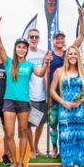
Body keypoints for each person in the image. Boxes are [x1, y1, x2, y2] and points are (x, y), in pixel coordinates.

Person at [0, 16, 51, 167]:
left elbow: (40, 74)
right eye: (19, 47)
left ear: (26, 50)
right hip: (9, 101)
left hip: (24, 102)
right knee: (9, 133)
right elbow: (0, 45)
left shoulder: (30, 65)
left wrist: (46, 62)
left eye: (24, 47)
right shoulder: (8, 62)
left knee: (23, 132)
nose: (21, 49)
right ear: (16, 48)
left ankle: (21, 164)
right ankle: (14, 161)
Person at [50, 46, 84, 167]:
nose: (72, 56)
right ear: (66, 56)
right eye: (70, 54)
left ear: (78, 56)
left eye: (75, 54)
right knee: (67, 140)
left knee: (77, 140)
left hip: (79, 111)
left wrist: (79, 102)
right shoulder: (59, 71)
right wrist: (63, 102)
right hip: (65, 111)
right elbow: (52, 91)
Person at [48, 7, 84, 157]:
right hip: (54, 94)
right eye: (57, 38)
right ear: (53, 40)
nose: (60, 40)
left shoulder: (69, 52)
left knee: (67, 126)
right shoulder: (49, 54)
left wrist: (81, 17)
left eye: (62, 38)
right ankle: (54, 148)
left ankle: (66, 150)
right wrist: (48, 97)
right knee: (53, 123)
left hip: (69, 94)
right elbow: (46, 77)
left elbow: (82, 35)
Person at [26, 28, 48, 158]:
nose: (34, 39)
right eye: (32, 37)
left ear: (39, 39)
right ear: (28, 39)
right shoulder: (25, 55)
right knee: (30, 124)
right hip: (30, 96)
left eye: (36, 37)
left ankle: (36, 146)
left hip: (43, 95)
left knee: (41, 123)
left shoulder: (43, 54)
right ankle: (32, 149)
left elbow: (46, 73)